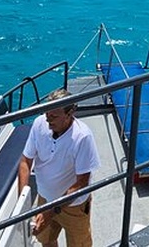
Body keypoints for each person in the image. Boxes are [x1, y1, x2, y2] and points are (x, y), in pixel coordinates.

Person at [18, 88, 100, 247]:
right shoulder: (39, 123)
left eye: (54, 116)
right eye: (47, 114)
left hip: (74, 206)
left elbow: (81, 183)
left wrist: (52, 211)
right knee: (46, 241)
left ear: (70, 114)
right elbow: (25, 161)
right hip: (44, 199)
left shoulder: (82, 137)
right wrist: (22, 203)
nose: (48, 120)